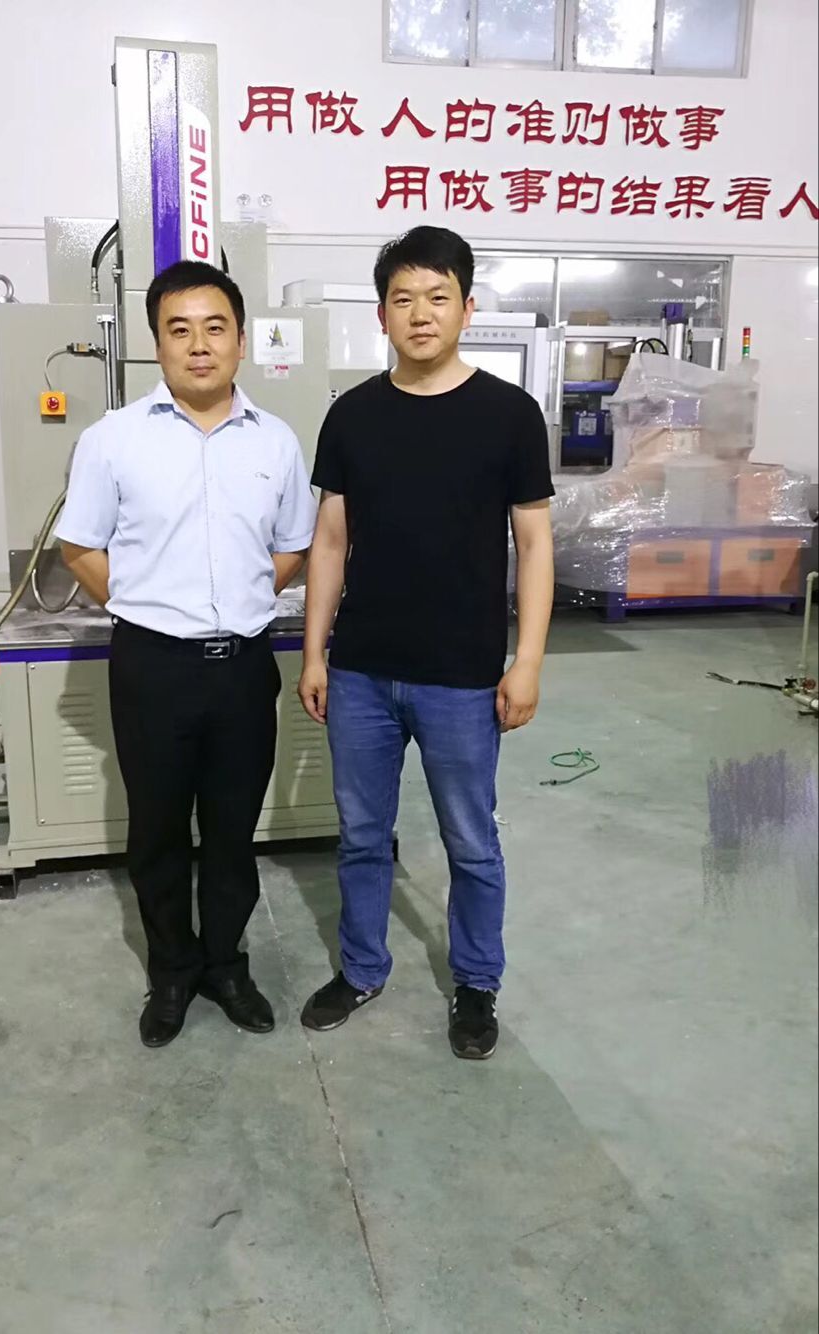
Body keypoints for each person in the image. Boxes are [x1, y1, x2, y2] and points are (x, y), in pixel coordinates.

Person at [297, 226, 554, 1061]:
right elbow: (329, 540)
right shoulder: (352, 415)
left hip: (461, 676)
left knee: (470, 842)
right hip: (362, 671)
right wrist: (314, 652)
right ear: (381, 314)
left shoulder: (509, 415)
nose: (420, 313)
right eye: (402, 299)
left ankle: (475, 983)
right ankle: (361, 968)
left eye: (437, 297)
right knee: (361, 835)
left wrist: (525, 662)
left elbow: (534, 546)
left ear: (466, 308)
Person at [57, 260, 316, 1049]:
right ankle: (171, 972)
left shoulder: (275, 441)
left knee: (233, 833)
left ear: (240, 340)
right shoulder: (112, 440)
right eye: (180, 329)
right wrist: (145, 605)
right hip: (152, 668)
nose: (198, 345)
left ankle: (225, 966)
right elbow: (79, 546)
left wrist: (236, 601)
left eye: (214, 328)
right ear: (156, 343)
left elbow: (292, 546)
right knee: (159, 832)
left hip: (242, 667)